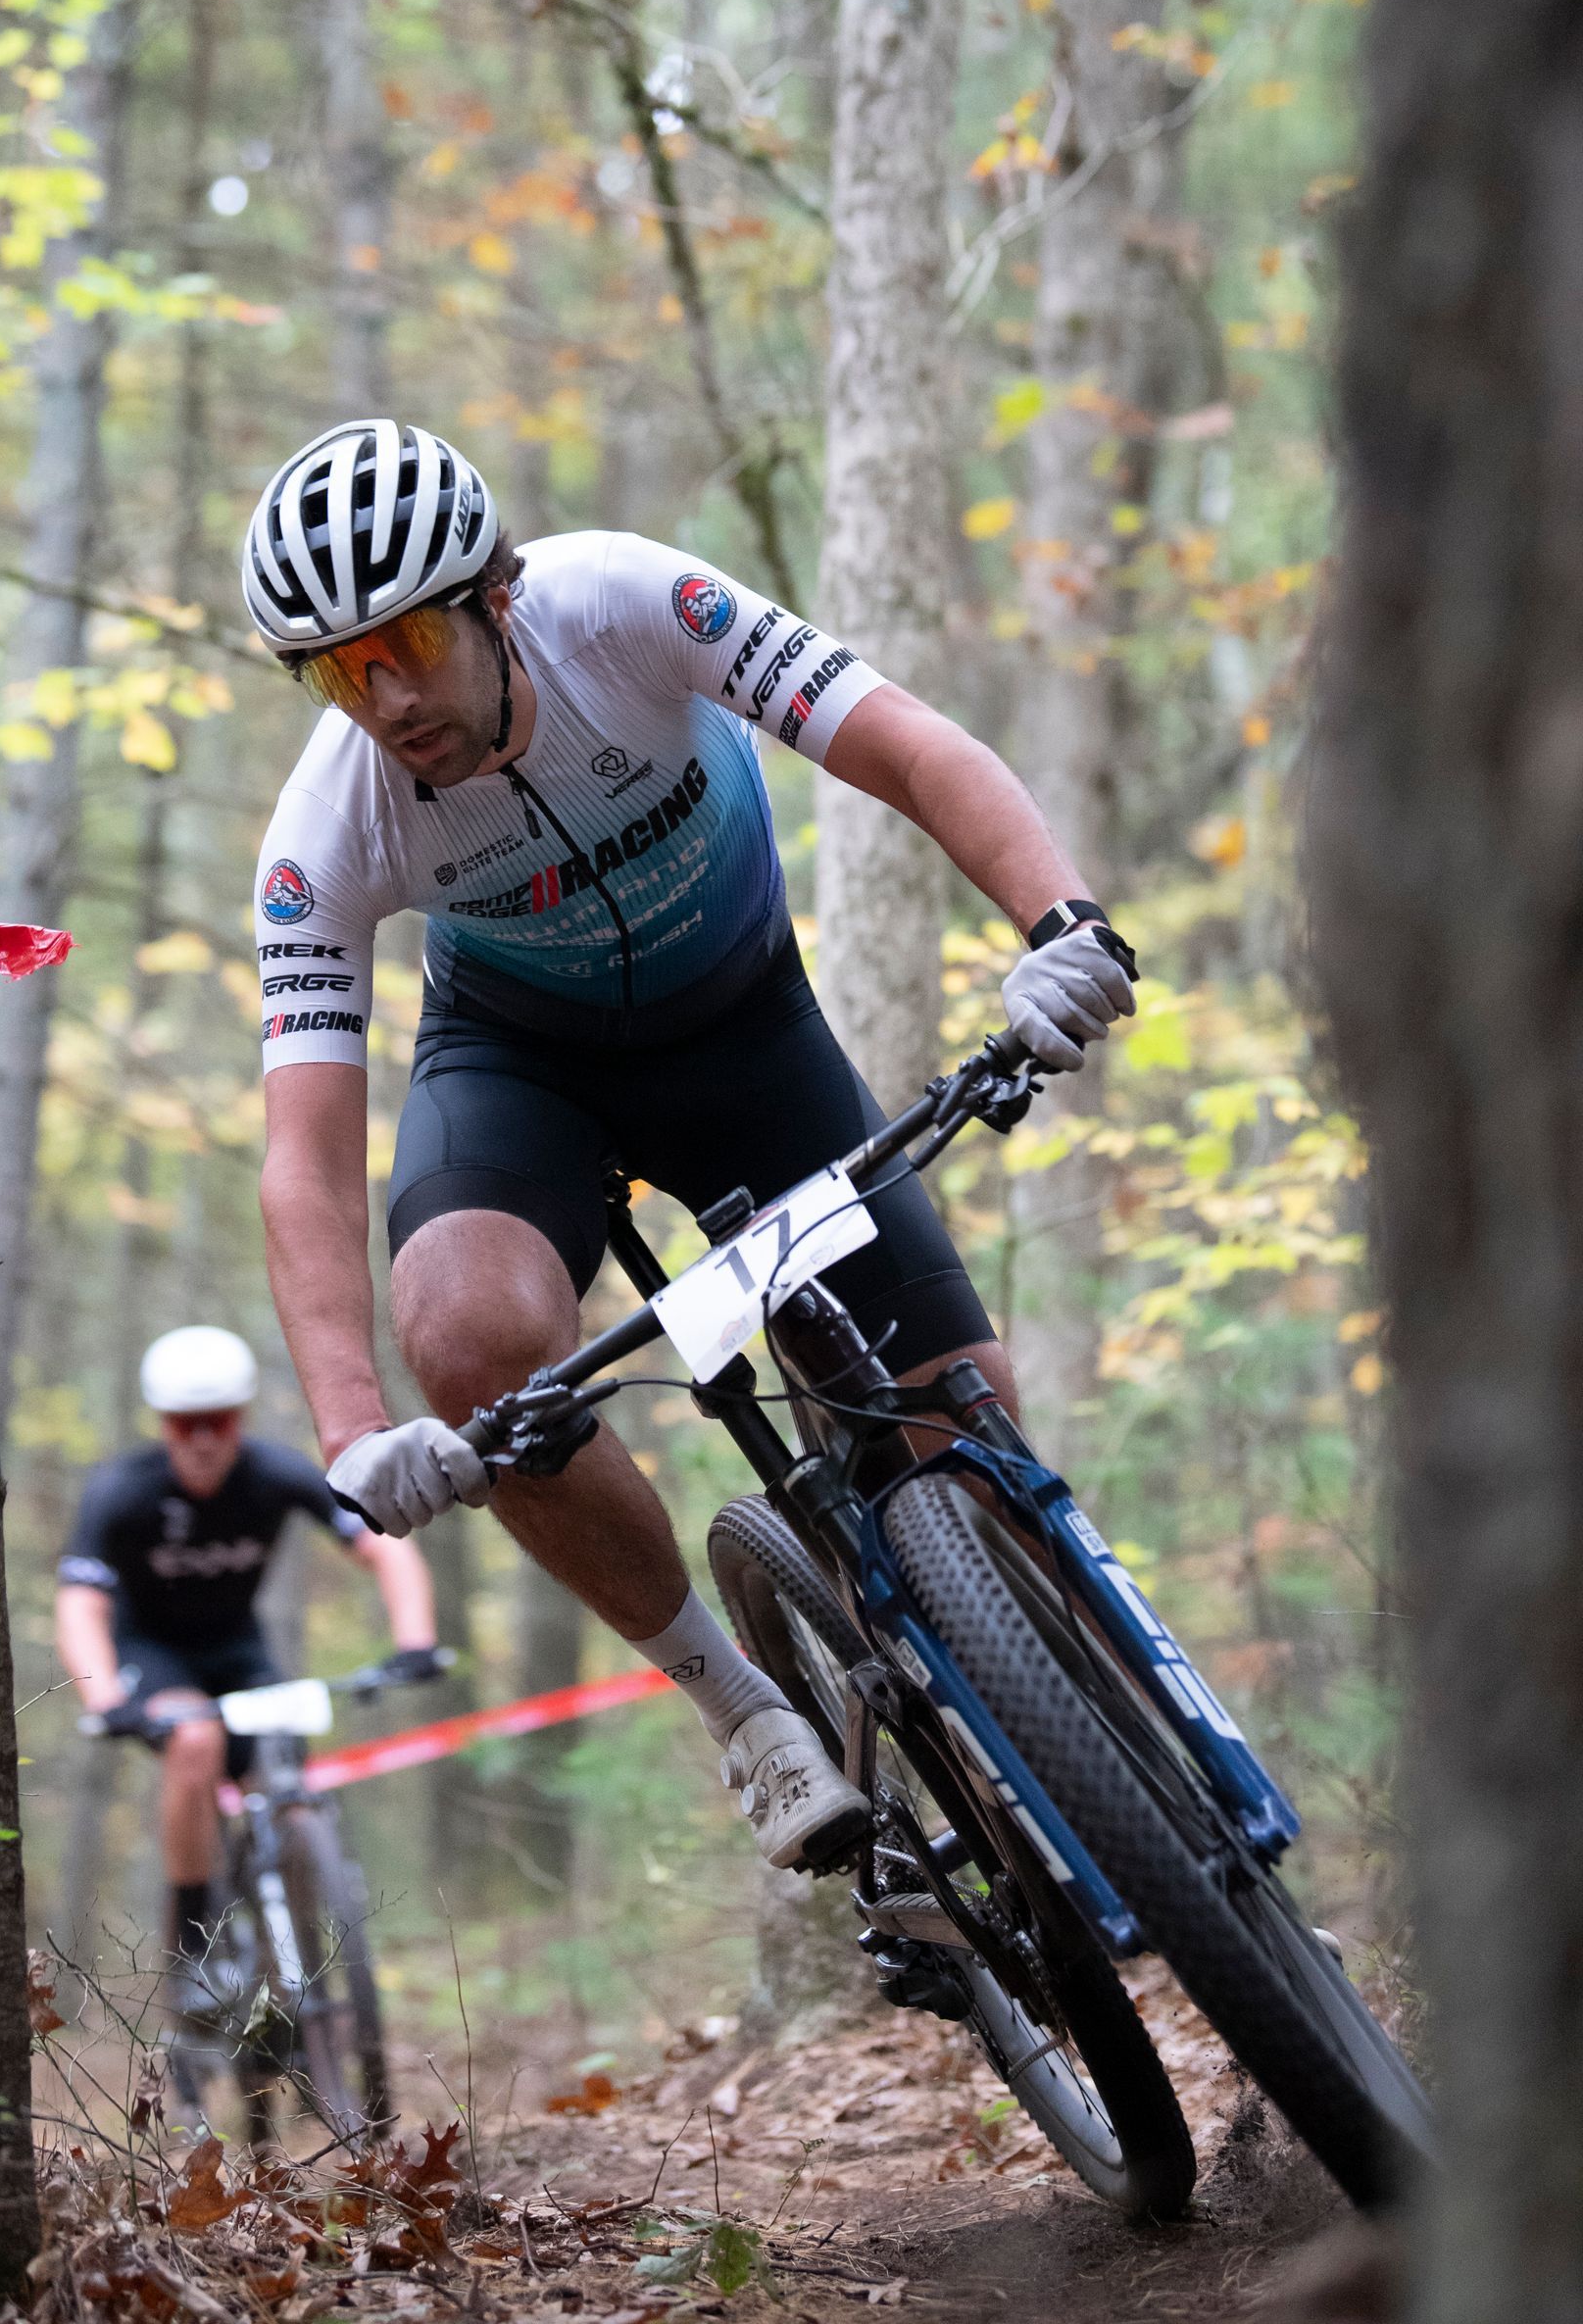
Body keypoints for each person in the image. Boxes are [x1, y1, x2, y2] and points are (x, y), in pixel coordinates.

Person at [246, 420, 1136, 1876]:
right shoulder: (323, 831)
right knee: (466, 1338)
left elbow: (909, 749)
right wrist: (351, 1429)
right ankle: (743, 1710)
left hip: (748, 1046)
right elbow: (305, 1158)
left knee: (968, 1442)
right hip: (523, 1079)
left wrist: (1060, 926)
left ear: (496, 593)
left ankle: (1149, 1812)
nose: (388, 696)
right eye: (341, 670)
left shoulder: (628, 605)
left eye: (405, 639)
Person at [55, 1322, 441, 2007]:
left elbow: (382, 1545)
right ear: (163, 1425)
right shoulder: (123, 1491)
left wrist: (414, 1642)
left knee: (282, 1768)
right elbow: (82, 1603)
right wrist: (104, 1696)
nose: (203, 1440)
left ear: (242, 1419)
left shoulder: (275, 1473)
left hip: (240, 1651)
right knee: (196, 1742)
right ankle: (193, 1943)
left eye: (219, 1422)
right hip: (154, 1656)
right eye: (184, 1425)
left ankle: (291, 1935)